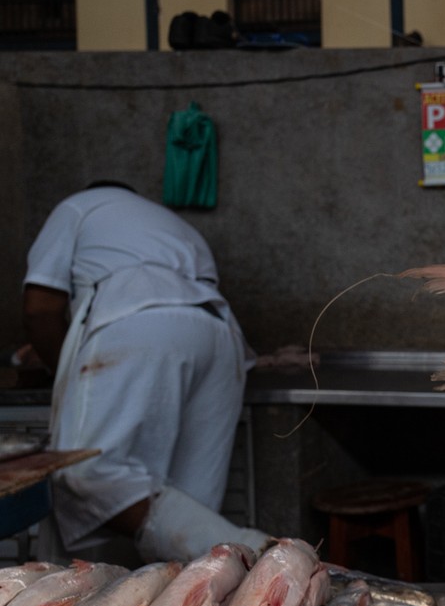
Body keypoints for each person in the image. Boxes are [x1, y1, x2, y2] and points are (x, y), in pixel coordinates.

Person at [22, 181, 270, 564]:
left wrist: (64, 368)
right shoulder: (174, 228)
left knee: (85, 471)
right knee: (185, 506)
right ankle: (213, 590)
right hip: (220, 338)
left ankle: (261, 559)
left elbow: (40, 307)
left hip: (138, 319)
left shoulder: (79, 205)